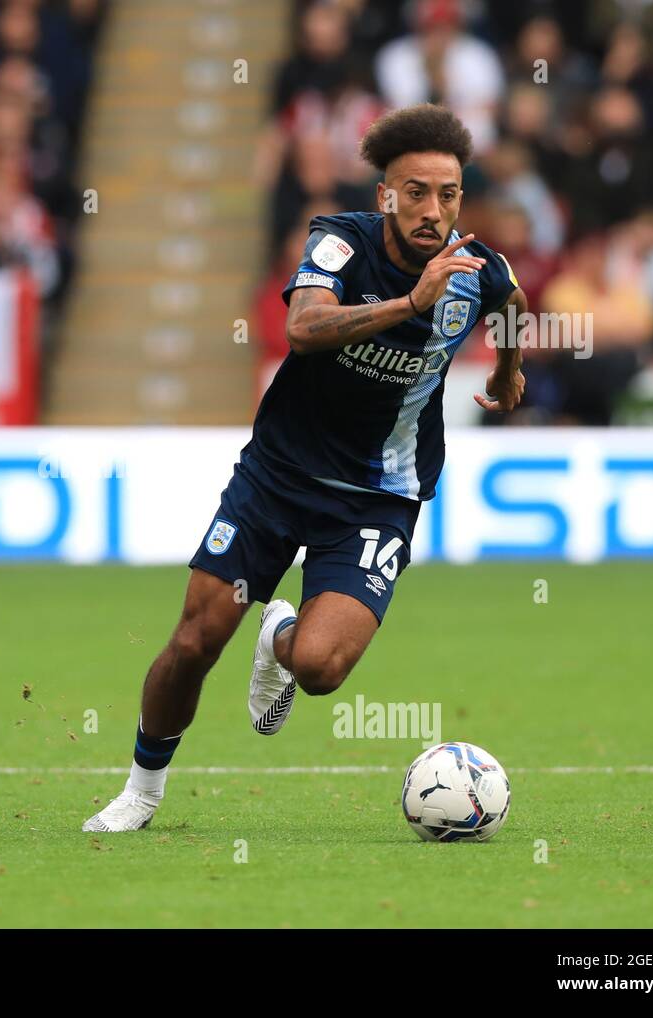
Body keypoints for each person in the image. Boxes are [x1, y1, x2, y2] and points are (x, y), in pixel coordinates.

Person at [84, 104, 525, 832]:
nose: (432, 209)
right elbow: (304, 326)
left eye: (448, 194)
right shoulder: (340, 243)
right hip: (279, 478)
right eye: (415, 191)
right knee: (195, 640)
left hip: (379, 499)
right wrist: (409, 303)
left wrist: (509, 370)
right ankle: (142, 791)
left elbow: (512, 301)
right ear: (385, 193)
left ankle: (278, 640)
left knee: (320, 669)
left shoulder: (480, 270)